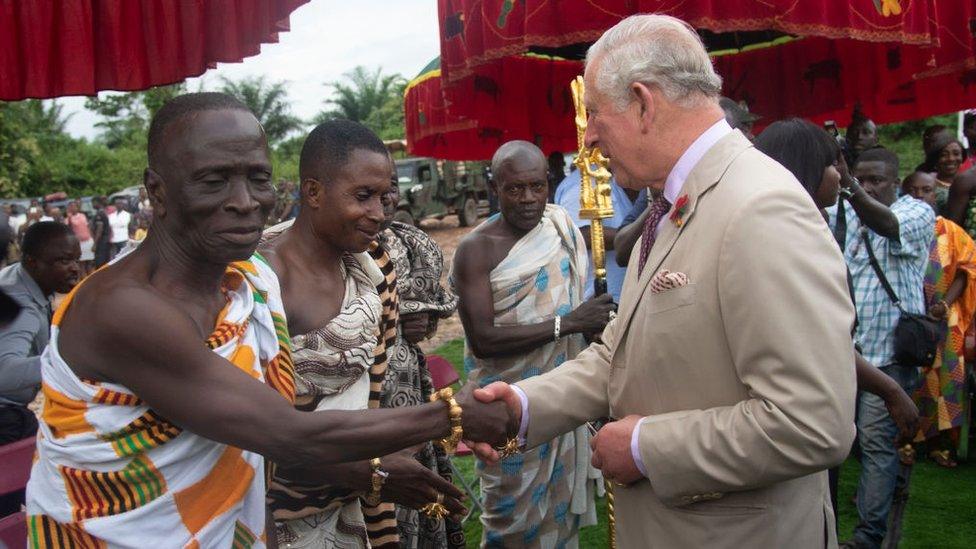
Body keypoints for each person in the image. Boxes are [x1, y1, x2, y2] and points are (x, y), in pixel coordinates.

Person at [24, 93, 512, 548]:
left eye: (257, 178)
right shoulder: (124, 308)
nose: (245, 200)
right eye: (214, 180)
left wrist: (376, 470)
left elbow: (258, 447)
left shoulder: (246, 281)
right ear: (158, 190)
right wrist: (454, 414)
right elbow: (287, 432)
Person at [470, 15, 857, 547]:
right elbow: (620, 353)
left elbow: (812, 423)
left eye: (596, 117)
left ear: (643, 102)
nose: (589, 140)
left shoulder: (759, 207)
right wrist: (523, 406)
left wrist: (646, 447)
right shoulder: (674, 202)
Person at [754, 118, 920, 516]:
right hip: (798, 404)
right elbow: (822, 338)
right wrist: (891, 390)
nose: (839, 177)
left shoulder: (796, 224)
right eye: (834, 166)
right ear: (807, 169)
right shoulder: (795, 235)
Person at [454, 140, 612, 547]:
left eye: (537, 187)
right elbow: (484, 340)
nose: (528, 199)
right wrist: (569, 323)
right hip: (504, 408)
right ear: (495, 187)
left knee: (559, 524)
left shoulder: (558, 226)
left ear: (549, 183)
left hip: (561, 400)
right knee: (510, 520)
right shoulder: (475, 250)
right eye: (515, 189)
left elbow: (618, 245)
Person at [825, 147, 934, 549]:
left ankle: (867, 539)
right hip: (847, 351)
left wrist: (850, 187)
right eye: (862, 178)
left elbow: (888, 226)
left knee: (876, 448)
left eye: (877, 181)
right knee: (835, 442)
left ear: (896, 180)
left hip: (890, 354)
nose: (868, 186)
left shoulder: (917, 211)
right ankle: (832, 530)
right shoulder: (846, 211)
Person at [376, 160, 465, 548]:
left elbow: (430, 310)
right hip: (358, 405)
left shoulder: (411, 242)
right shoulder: (329, 250)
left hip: (406, 390)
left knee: (413, 503)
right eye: (367, 192)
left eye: (392, 187)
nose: (385, 199)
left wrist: (422, 324)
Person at [614, 94, 761, 266]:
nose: (750, 135)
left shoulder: (745, 186)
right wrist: (663, 202)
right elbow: (621, 251)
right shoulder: (663, 186)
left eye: (746, 129)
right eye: (743, 128)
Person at [0, 222, 79, 514]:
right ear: (31, 262)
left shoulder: (16, 280)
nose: (74, 268)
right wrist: (68, 359)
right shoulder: (21, 305)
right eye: (62, 261)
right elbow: (5, 374)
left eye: (75, 258)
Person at [902, 171, 976, 468]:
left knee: (948, 382)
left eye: (927, 191)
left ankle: (939, 443)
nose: (921, 196)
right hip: (909, 320)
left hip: (947, 319)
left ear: (937, 195)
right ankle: (906, 440)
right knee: (912, 380)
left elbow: (967, 268)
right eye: (914, 191)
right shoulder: (899, 227)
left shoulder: (951, 230)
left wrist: (945, 303)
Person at [554, 172, 636, 301]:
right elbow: (581, 235)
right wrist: (632, 237)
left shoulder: (611, 177)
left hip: (619, 294)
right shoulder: (581, 183)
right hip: (596, 298)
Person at [920, 132, 967, 215]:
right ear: (935, 159)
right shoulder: (927, 187)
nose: (951, 159)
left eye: (956, 154)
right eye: (944, 155)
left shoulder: (968, 182)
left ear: (962, 157)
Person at [65, 200, 94, 276]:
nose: (73, 208)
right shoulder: (68, 218)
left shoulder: (82, 215)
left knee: (89, 262)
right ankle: (83, 280)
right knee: (81, 263)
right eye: (71, 206)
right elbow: (69, 228)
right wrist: (69, 217)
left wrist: (93, 239)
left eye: (75, 206)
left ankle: (90, 277)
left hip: (88, 241)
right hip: (79, 243)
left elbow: (88, 227)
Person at [90, 196, 113, 267]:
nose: (92, 205)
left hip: (101, 242)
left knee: (100, 263)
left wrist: (95, 244)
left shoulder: (100, 214)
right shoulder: (102, 212)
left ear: (97, 203)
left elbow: (99, 230)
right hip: (105, 241)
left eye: (93, 203)